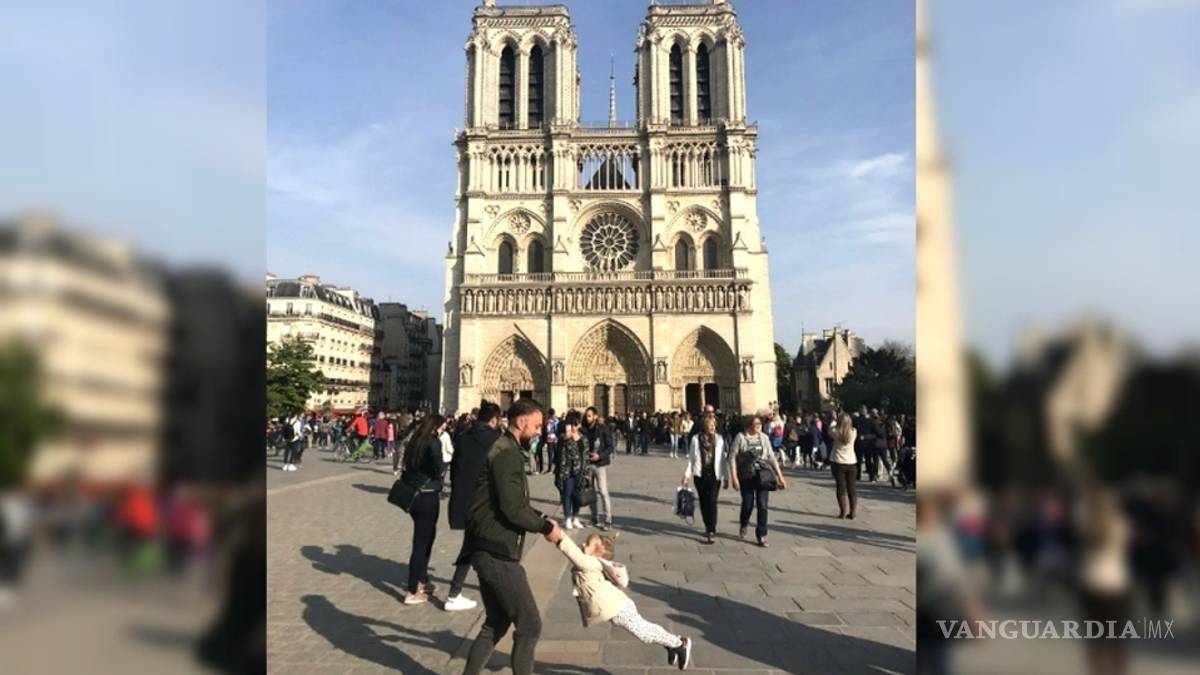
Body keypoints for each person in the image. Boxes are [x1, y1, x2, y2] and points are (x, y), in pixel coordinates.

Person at [462, 399, 562, 675]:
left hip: (486, 545)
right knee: (530, 625)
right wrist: (545, 529)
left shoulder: (508, 449)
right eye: (537, 425)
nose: (541, 431)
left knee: (496, 622)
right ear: (520, 422)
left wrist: (541, 517)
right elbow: (511, 508)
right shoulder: (506, 452)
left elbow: (513, 500)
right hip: (496, 550)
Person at [552, 532, 693, 669]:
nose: (582, 544)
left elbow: (574, 553)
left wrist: (559, 537)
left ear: (598, 554)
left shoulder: (590, 562)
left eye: (587, 544)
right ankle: (672, 644)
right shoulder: (590, 562)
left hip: (618, 608)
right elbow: (578, 554)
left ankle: (680, 644)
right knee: (645, 628)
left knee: (644, 633)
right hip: (617, 607)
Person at [446, 403, 504, 612]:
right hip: (485, 501)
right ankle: (456, 593)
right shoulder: (496, 440)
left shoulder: (463, 437)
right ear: (494, 420)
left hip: (465, 499)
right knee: (487, 544)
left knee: (474, 544)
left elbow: (454, 471)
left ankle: (457, 592)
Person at [399, 415, 446, 605]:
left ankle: (422, 579)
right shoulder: (432, 442)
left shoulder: (414, 439)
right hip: (427, 496)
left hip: (414, 496)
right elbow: (439, 468)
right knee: (421, 543)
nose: (444, 430)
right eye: (442, 427)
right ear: (435, 428)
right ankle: (412, 590)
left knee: (425, 539)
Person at [730, 415, 786, 547]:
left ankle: (761, 534)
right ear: (749, 425)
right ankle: (744, 523)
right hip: (746, 476)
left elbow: (771, 457)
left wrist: (780, 476)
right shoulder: (740, 438)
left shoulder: (764, 438)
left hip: (763, 475)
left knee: (763, 505)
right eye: (756, 424)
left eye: (760, 424)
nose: (758, 426)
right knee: (748, 504)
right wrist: (734, 477)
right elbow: (732, 457)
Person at [680, 414, 728, 544]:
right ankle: (707, 525)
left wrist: (726, 477)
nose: (712, 427)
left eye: (714, 424)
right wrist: (686, 475)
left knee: (712, 501)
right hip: (700, 474)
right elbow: (691, 458)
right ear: (704, 426)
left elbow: (722, 459)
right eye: (710, 424)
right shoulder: (696, 439)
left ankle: (711, 529)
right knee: (703, 502)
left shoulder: (719, 439)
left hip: (714, 474)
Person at [582, 406, 615, 531]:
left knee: (603, 492)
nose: (587, 417)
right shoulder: (583, 429)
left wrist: (599, 455)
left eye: (589, 415)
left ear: (595, 416)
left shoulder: (603, 429)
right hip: (588, 464)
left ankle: (608, 519)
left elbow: (610, 446)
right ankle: (594, 518)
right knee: (590, 493)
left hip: (600, 464)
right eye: (586, 415)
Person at [555, 412, 586, 530]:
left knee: (577, 495)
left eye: (576, 424)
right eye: (572, 424)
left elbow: (585, 455)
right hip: (567, 470)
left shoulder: (583, 438)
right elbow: (560, 452)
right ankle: (567, 518)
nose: (574, 427)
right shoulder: (564, 438)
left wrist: (586, 471)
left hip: (580, 471)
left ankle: (576, 517)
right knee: (567, 494)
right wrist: (568, 438)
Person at [830, 412, 859, 519]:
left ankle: (842, 512)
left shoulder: (835, 432)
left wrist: (834, 419)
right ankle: (853, 512)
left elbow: (830, 427)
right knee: (852, 487)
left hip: (838, 463)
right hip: (851, 462)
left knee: (840, 487)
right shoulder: (854, 432)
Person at [543, 408, 559, 475]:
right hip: (555, 438)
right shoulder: (556, 420)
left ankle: (550, 469)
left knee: (550, 454)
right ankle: (556, 468)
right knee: (556, 454)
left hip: (550, 438)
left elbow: (548, 430)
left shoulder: (549, 421)